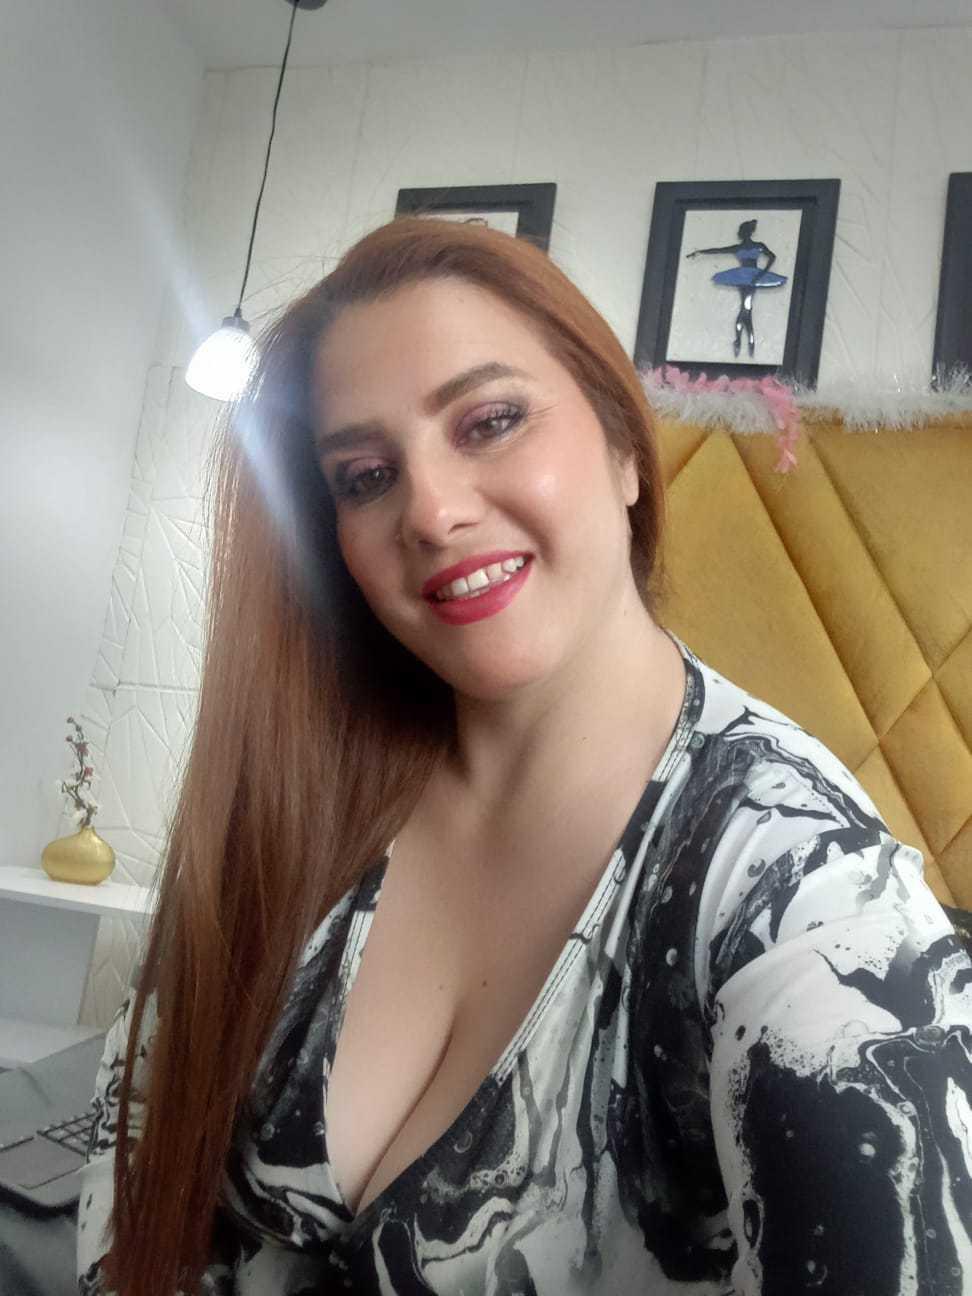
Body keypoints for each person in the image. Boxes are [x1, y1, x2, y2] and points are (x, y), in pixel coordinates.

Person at [77, 216, 972, 1296]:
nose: (431, 511)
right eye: (365, 476)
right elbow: (133, 1155)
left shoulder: (803, 894)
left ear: (627, 448)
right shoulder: (305, 793)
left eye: (491, 421)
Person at [686, 218, 788, 358]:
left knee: (746, 308)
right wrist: (700, 252)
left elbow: (772, 257)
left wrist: (762, 274)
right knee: (746, 308)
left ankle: (742, 340)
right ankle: (748, 340)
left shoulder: (756, 246)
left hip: (751, 276)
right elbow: (718, 250)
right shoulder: (746, 247)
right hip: (744, 276)